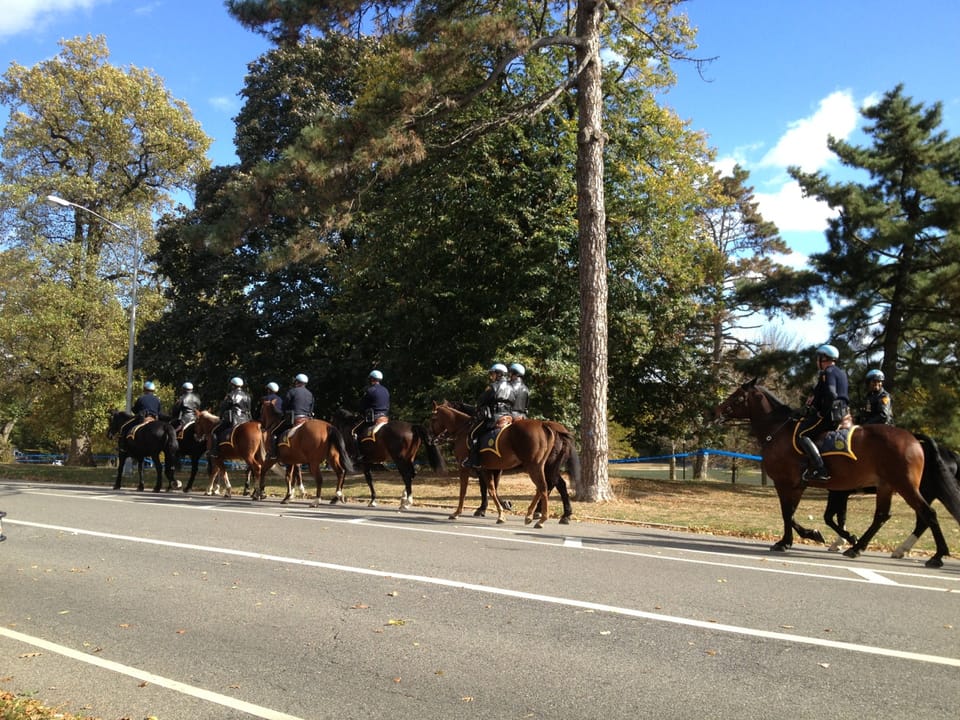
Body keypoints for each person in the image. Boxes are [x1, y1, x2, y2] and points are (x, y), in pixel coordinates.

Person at [797, 344, 850, 483]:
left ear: (823, 358)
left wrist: (823, 412)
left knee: (802, 435)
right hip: (842, 411)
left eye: (818, 358)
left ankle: (821, 470)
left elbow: (832, 394)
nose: (817, 361)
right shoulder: (841, 373)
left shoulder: (828, 372)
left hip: (831, 413)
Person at [463, 363, 515, 468]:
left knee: (473, 434)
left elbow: (481, 401)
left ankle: (474, 461)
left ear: (499, 374)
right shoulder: (511, 387)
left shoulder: (493, 387)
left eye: (493, 374)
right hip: (508, 417)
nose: (491, 376)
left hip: (495, 418)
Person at [269, 374, 314, 458]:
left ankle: (273, 454)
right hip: (307, 419)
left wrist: (281, 412)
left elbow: (284, 406)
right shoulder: (310, 394)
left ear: (296, 381)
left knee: (274, 433)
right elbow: (311, 409)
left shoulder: (292, 391)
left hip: (294, 419)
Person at [208, 377, 252, 458]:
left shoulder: (230, 395)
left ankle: (214, 451)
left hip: (234, 420)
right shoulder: (247, 395)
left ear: (232, 385)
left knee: (214, 432)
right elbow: (248, 409)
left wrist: (221, 416)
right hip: (246, 420)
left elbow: (224, 407)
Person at [356, 370, 390, 440]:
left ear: (371, 379)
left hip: (373, 418)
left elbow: (363, 406)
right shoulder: (386, 390)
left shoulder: (370, 390)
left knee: (355, 432)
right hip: (385, 417)